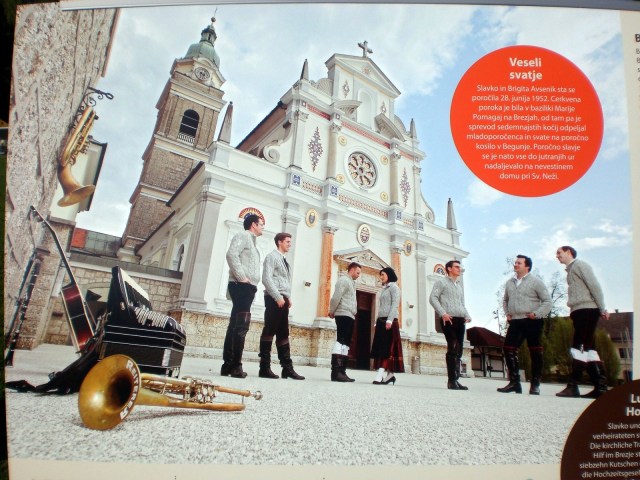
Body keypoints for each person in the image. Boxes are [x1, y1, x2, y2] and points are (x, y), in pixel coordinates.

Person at [555, 246, 610, 398]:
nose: (557, 256)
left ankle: (573, 386)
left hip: (587, 310)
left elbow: (594, 286)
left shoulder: (580, 265)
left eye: (559, 253)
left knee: (579, 346)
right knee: (590, 349)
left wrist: (602, 308)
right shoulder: (571, 270)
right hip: (579, 311)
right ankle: (600, 387)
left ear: (569, 252)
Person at [498, 255, 551, 395]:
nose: (515, 264)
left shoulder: (536, 282)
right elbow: (505, 300)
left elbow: (547, 301)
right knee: (508, 349)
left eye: (519, 263)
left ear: (527, 266)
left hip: (532, 321)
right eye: (515, 262)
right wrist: (507, 313)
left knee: (535, 351)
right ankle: (514, 383)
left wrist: (537, 313)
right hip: (515, 321)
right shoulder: (510, 283)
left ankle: (535, 384)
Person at [221, 214, 263, 378]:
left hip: (246, 287)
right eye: (261, 224)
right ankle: (236, 366)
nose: (262, 227)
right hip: (242, 286)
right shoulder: (243, 236)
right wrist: (242, 277)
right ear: (253, 225)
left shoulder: (252, 242)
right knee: (241, 325)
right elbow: (231, 254)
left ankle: (228, 365)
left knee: (235, 324)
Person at [259, 232, 305, 380]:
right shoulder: (271, 257)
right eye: (287, 242)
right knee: (269, 330)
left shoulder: (284, 260)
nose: (290, 244)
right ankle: (264, 368)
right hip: (274, 298)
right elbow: (266, 278)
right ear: (279, 242)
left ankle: (287, 368)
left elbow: (283, 281)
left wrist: (288, 297)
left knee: (283, 333)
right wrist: (278, 297)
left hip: (282, 299)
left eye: (290, 242)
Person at [429, 259, 472, 390]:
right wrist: (443, 313)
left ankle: (456, 379)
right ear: (449, 269)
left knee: (459, 350)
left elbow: (461, 303)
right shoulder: (441, 282)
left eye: (460, 267)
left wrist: (467, 315)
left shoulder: (459, 286)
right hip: (449, 319)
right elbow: (432, 298)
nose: (459, 269)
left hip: (460, 320)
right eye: (457, 267)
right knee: (452, 348)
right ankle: (451, 381)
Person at [328, 262, 362, 382]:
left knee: (346, 343)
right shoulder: (343, 280)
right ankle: (336, 372)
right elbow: (336, 297)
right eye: (357, 272)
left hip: (350, 315)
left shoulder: (352, 282)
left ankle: (342, 371)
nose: (358, 275)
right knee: (341, 341)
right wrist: (332, 311)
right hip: (343, 314)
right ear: (351, 270)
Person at [370, 267, 404, 385]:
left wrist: (389, 320)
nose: (381, 277)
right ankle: (390, 375)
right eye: (380, 275)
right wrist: (376, 321)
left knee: (387, 349)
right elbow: (381, 306)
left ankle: (380, 375)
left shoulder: (394, 288)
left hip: (390, 321)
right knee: (381, 348)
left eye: (382, 274)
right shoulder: (384, 289)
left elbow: (395, 305)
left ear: (389, 274)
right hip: (381, 321)